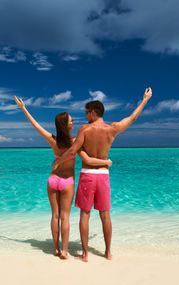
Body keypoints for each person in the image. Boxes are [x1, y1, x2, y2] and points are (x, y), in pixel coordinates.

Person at [52, 88, 153, 262]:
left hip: (87, 175)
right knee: (105, 214)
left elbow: (72, 151)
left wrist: (58, 162)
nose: (85, 116)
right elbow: (132, 118)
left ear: (93, 112)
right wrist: (145, 100)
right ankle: (107, 252)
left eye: (86, 112)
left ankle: (84, 254)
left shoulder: (85, 129)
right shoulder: (112, 129)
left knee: (85, 214)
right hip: (103, 176)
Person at [14, 96, 112, 259]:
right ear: (66, 124)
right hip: (67, 182)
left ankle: (56, 249)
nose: (73, 123)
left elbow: (35, 125)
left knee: (55, 215)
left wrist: (24, 109)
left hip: (52, 180)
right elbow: (86, 159)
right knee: (65, 216)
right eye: (71, 121)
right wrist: (106, 162)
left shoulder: (52, 140)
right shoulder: (75, 142)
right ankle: (65, 251)